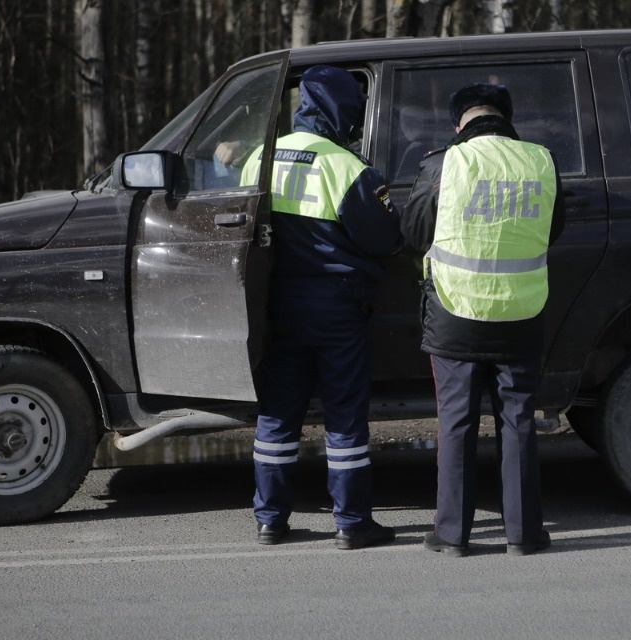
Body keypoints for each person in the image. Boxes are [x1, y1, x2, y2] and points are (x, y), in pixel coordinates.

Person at [238, 65, 402, 549]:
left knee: (278, 413)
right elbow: (384, 239)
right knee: (345, 415)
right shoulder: (346, 167)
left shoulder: (259, 158)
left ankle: (270, 519)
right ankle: (352, 524)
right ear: (343, 109)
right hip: (335, 307)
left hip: (277, 304)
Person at [401, 82, 566, 557]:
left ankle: (452, 536)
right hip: (522, 311)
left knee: (456, 423)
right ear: (505, 118)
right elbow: (553, 228)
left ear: (460, 122)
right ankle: (524, 535)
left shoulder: (444, 162)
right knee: (519, 423)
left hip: (457, 312)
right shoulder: (541, 160)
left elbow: (414, 233)